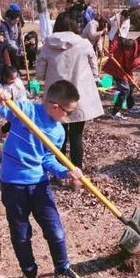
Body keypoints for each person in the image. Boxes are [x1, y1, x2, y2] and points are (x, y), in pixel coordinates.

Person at [0, 80, 89, 278]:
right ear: (55, 107)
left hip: (40, 185)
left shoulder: (58, 131)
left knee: (55, 230)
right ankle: (29, 273)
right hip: (13, 184)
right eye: (68, 112)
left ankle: (62, 269)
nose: (68, 116)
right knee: (21, 233)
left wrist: (66, 172)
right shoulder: (24, 110)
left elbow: (47, 159)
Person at [36, 13, 104, 169]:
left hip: (56, 96)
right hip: (78, 97)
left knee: (59, 134)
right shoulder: (84, 43)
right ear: (74, 26)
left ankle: (60, 171)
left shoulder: (48, 44)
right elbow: (95, 69)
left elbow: (39, 73)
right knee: (76, 136)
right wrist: (92, 77)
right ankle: (76, 174)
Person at [103, 34, 140, 120]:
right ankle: (115, 112)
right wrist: (111, 51)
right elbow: (116, 40)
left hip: (124, 70)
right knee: (125, 89)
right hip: (116, 68)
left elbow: (130, 63)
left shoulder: (136, 50)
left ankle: (130, 107)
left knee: (131, 85)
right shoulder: (130, 43)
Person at [0, 66, 28, 139]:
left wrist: (22, 106)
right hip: (1, 105)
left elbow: (22, 95)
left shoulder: (18, 82)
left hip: (16, 102)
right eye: (12, 79)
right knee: (14, 119)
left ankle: (9, 131)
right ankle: (4, 131)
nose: (14, 80)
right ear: (5, 77)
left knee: (21, 117)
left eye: (15, 78)